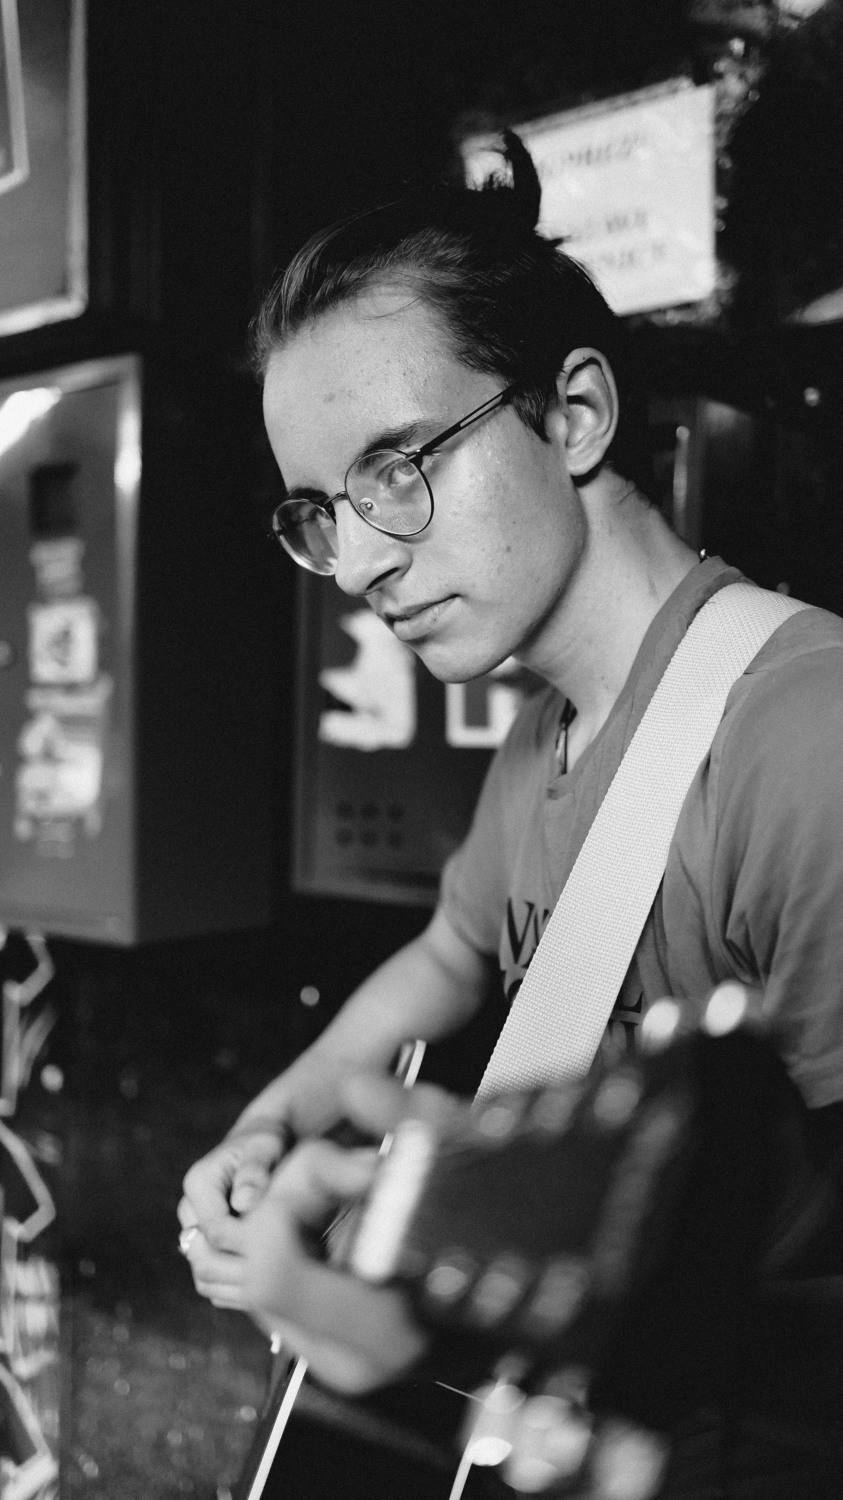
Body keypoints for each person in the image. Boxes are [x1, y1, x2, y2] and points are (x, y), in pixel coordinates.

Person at [178, 136, 843, 1494]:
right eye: (322, 511)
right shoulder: (549, 728)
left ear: (576, 415)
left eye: (397, 466)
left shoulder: (803, 739)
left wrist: (404, 1306)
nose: (355, 563)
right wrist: (269, 1129)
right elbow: (451, 952)